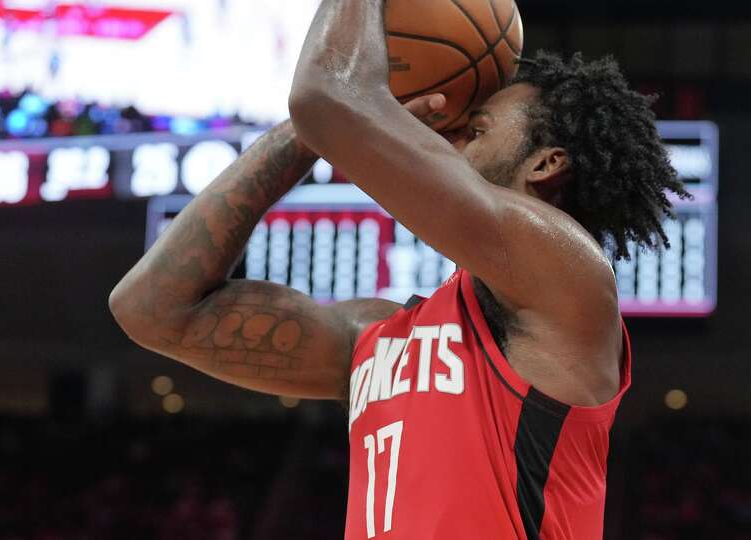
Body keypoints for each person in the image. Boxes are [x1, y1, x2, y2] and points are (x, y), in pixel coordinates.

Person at [109, 1, 688, 537]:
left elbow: (325, 96)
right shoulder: (377, 338)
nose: (449, 133)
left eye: (476, 127)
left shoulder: (568, 271)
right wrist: (302, 139)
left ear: (546, 163)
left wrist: (339, 118)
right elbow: (154, 310)